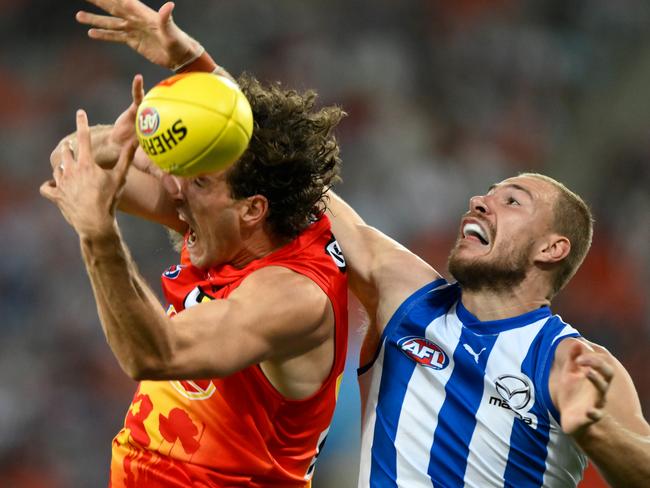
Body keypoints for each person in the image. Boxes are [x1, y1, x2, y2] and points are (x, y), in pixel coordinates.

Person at [73, 1, 650, 487]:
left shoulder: (573, 363)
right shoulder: (409, 297)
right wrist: (193, 66)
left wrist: (593, 428)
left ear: (552, 249)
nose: (481, 201)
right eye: (488, 191)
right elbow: (285, 173)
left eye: (512, 201)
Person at [44, 24, 348, 488]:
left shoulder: (292, 297)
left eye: (198, 180)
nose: (174, 187)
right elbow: (70, 162)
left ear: (253, 208)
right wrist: (118, 143)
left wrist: (100, 236)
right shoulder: (222, 218)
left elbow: (153, 353)